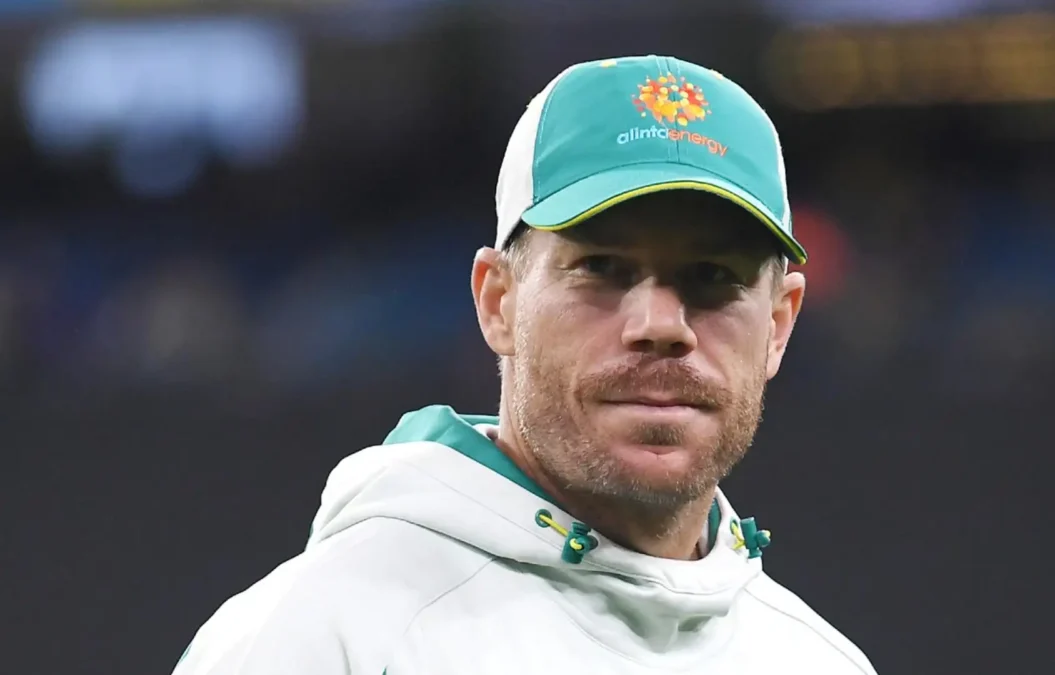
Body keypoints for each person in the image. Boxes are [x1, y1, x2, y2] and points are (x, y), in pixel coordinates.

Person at [172, 54, 878, 675]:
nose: (661, 325)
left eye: (713, 276)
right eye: (601, 267)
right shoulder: (325, 637)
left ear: (778, 325)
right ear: (498, 302)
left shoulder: (818, 661)